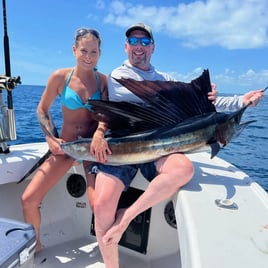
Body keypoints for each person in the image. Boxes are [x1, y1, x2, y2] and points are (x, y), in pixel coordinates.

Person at [91, 22, 264, 268]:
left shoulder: (165, 79)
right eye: (134, 42)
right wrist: (195, 99)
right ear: (125, 46)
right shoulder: (120, 76)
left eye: (144, 42)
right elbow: (156, 103)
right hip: (125, 147)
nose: (139, 47)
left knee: (184, 169)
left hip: (158, 149)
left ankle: (125, 218)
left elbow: (204, 105)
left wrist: (240, 100)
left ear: (152, 47)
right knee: (101, 203)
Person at [21, 27, 108, 253]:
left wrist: (99, 134)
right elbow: (42, 110)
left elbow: (108, 116)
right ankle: (36, 246)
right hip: (66, 148)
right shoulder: (60, 77)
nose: (88, 57)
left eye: (93, 52)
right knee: (28, 199)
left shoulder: (103, 82)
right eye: (83, 51)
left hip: (91, 150)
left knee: (99, 205)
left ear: (100, 53)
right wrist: (50, 138)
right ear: (74, 50)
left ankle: (107, 253)